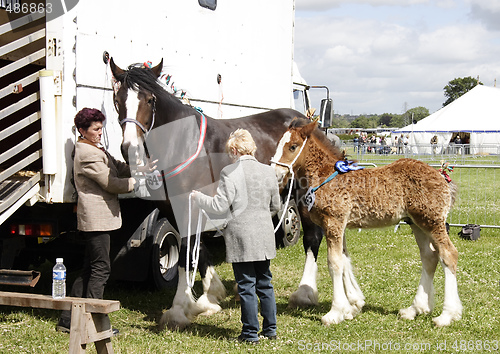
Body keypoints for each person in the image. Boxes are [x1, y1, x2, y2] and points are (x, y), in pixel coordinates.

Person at [191, 129, 281, 344]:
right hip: (264, 234)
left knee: (246, 285)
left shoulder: (229, 172)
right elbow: (275, 206)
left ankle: (250, 334)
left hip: (241, 236)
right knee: (265, 283)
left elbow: (219, 205)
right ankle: (270, 329)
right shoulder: (269, 172)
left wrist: (198, 197)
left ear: (233, 149)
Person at [57, 108, 137, 334]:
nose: (100, 132)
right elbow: (111, 182)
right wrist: (136, 183)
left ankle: (66, 320)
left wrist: (141, 170)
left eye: (101, 128)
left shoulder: (95, 147)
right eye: (95, 129)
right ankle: (94, 323)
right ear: (82, 130)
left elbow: (117, 167)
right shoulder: (87, 153)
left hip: (100, 218)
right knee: (101, 269)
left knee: (88, 270)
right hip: (96, 219)